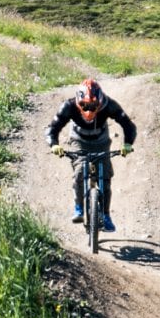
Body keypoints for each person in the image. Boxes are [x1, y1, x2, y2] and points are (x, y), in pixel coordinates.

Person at [46, 78, 136, 233]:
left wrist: (127, 143)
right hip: (78, 141)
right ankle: (79, 208)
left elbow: (128, 124)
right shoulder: (68, 106)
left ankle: (106, 215)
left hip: (101, 141)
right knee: (80, 170)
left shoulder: (109, 105)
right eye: (85, 105)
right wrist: (54, 144)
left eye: (93, 106)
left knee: (106, 178)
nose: (89, 109)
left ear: (99, 102)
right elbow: (52, 128)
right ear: (78, 102)